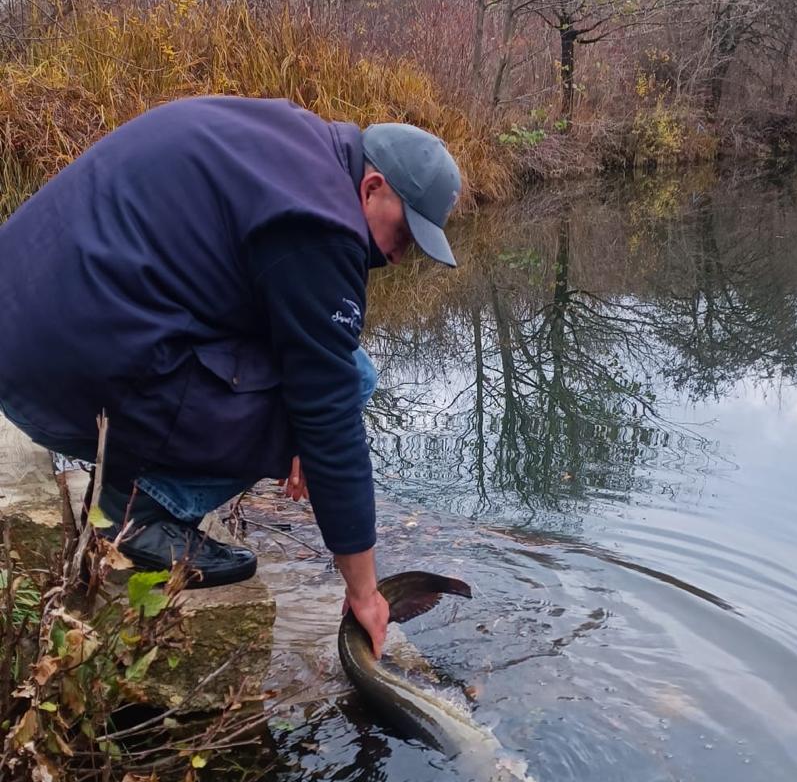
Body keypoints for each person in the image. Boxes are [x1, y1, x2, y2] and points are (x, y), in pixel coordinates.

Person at [0, 97, 462, 659]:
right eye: (405, 234)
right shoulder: (324, 224)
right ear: (371, 188)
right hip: (62, 370)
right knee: (349, 385)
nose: (399, 255)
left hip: (33, 329)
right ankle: (141, 512)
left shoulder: (293, 145)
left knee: (346, 370)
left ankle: (138, 482)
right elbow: (330, 416)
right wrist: (363, 589)